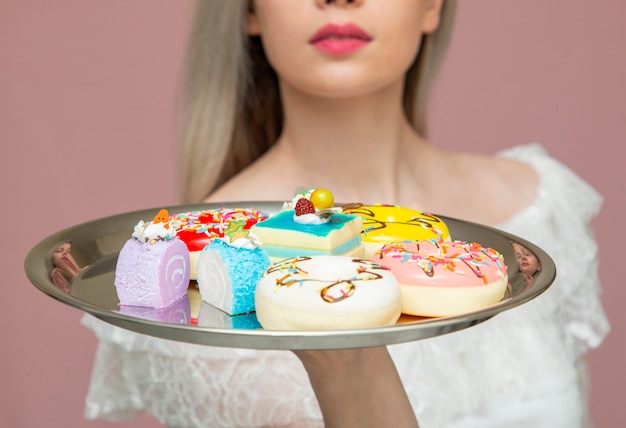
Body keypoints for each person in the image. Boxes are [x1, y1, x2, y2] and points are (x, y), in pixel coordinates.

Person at [82, 1, 610, 426]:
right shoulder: (208, 284)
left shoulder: (541, 208)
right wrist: (346, 363)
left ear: (433, 7)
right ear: (249, 11)